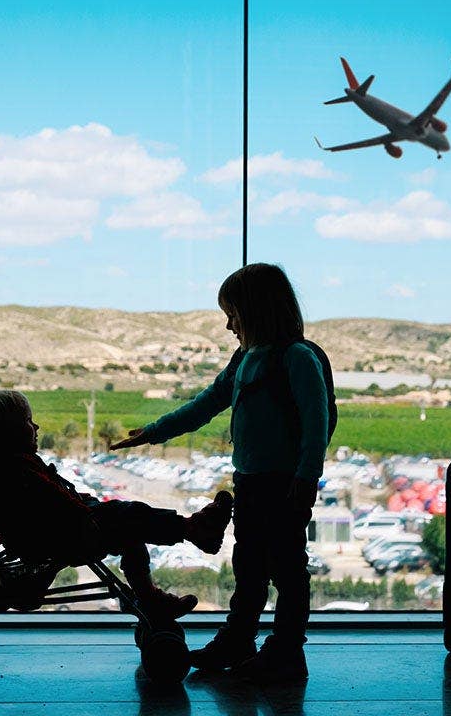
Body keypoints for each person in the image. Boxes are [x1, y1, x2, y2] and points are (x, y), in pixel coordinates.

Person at [112, 263, 330, 683]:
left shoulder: (297, 358)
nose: (229, 325)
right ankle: (240, 641)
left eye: (233, 314)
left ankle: (286, 652)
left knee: (286, 569)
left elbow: (315, 428)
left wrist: (305, 481)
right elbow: (208, 402)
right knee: (249, 566)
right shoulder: (245, 359)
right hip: (250, 481)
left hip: (284, 486)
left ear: (257, 311)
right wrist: (153, 432)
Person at [0, 389, 234, 618]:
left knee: (131, 532)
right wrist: (89, 511)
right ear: (7, 433)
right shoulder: (16, 470)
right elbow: (56, 505)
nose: (37, 427)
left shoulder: (4, 468)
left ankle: (150, 596)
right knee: (130, 517)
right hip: (69, 533)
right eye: (28, 422)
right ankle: (192, 530)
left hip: (64, 528)